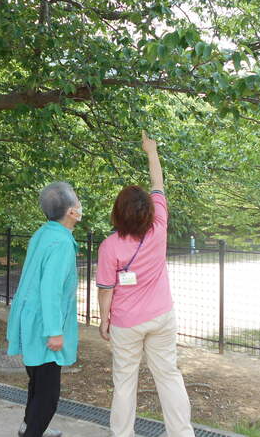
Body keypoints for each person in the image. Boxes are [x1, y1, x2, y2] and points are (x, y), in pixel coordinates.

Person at [96, 131, 194, 437]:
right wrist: (151, 151)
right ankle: (182, 433)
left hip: (126, 323)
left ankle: (122, 434)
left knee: (125, 382)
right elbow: (158, 184)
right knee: (169, 375)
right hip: (162, 316)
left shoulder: (109, 246)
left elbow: (106, 289)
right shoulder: (159, 227)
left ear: (117, 212)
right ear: (149, 211)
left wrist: (104, 320)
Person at [6, 181, 82, 437]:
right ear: (72, 212)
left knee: (37, 382)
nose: (81, 206)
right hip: (43, 324)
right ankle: (33, 431)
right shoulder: (61, 243)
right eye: (78, 202)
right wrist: (54, 331)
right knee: (48, 395)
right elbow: (51, 289)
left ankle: (28, 426)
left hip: (29, 319)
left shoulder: (44, 232)